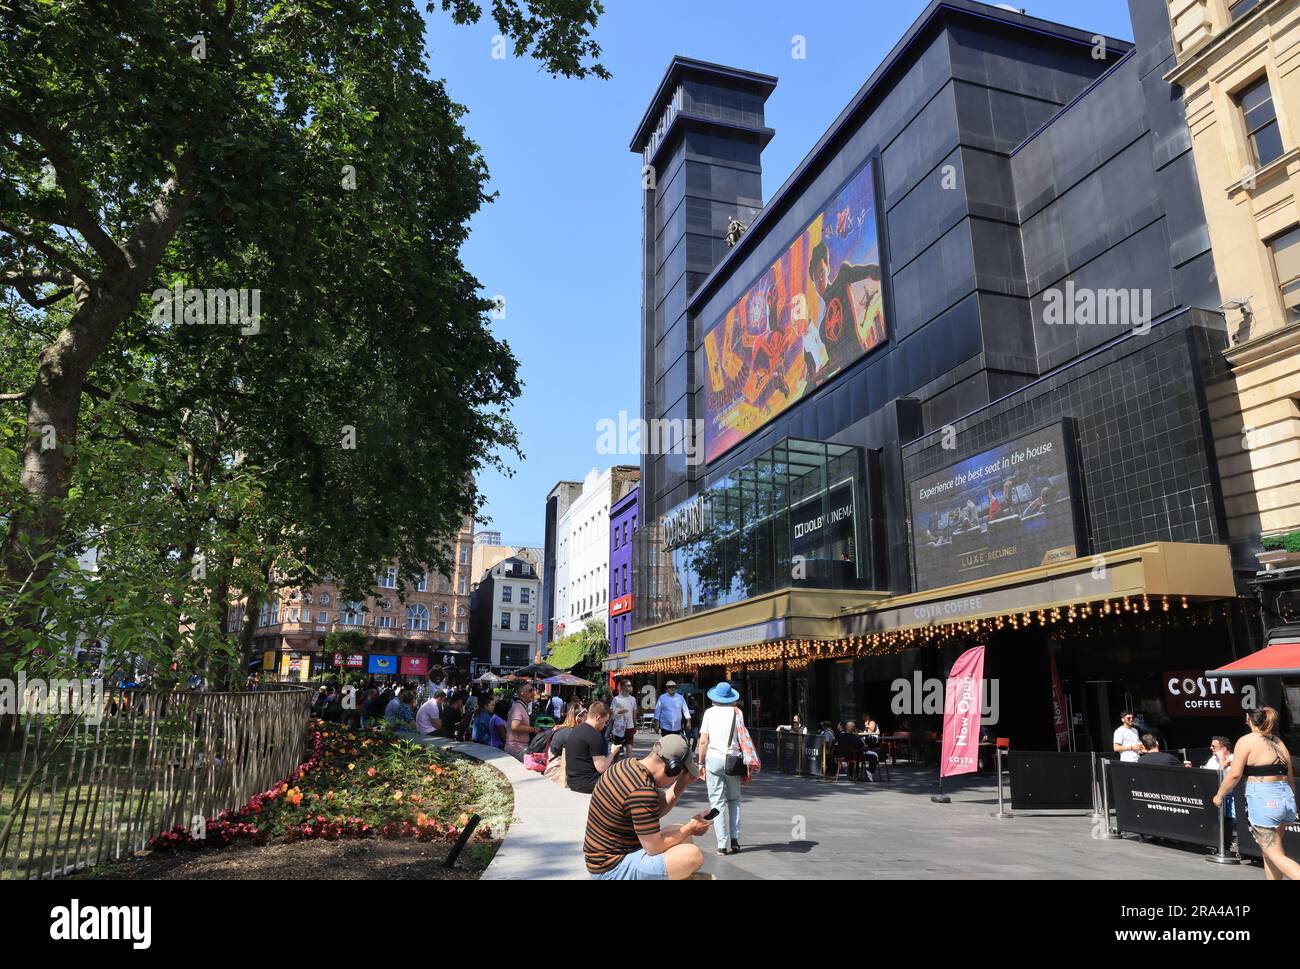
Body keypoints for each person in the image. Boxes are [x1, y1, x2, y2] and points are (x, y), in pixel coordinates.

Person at [583, 734, 709, 880]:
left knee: (682, 836)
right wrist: (690, 828)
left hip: (605, 860)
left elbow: (655, 809)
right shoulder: (642, 790)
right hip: (610, 870)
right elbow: (654, 847)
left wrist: (681, 785)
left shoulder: (628, 765)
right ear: (672, 769)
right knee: (692, 855)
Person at [1214, 707, 1300, 880]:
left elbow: (1235, 774)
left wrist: (1219, 794)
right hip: (1286, 799)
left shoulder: (1246, 740)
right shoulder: (1278, 742)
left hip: (1264, 799)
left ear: (1249, 719)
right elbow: (1290, 778)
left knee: (1275, 854)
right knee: (1270, 852)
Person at [697, 681, 748, 856]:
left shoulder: (709, 713)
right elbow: (742, 739)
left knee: (717, 802)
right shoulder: (737, 712)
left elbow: (703, 741)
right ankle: (735, 840)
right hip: (732, 761)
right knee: (734, 800)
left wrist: (700, 763)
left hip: (712, 760)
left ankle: (721, 844)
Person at [565, 702, 623, 794]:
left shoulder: (575, 730)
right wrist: (613, 752)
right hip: (589, 784)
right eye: (605, 721)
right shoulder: (595, 736)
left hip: (572, 781)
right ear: (598, 718)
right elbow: (602, 767)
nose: (605, 725)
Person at [505, 682, 539, 761]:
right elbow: (515, 726)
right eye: (530, 690)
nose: (533, 693)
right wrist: (534, 729)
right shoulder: (518, 707)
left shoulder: (521, 706)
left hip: (519, 747)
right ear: (522, 693)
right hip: (517, 748)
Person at [609, 679, 638, 755]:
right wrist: (619, 712)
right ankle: (615, 763)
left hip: (629, 726)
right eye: (628, 685)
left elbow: (634, 713)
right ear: (622, 687)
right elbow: (611, 713)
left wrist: (635, 724)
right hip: (619, 726)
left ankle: (629, 764)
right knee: (617, 747)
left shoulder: (633, 699)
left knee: (629, 746)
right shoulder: (616, 699)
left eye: (630, 685)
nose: (630, 687)